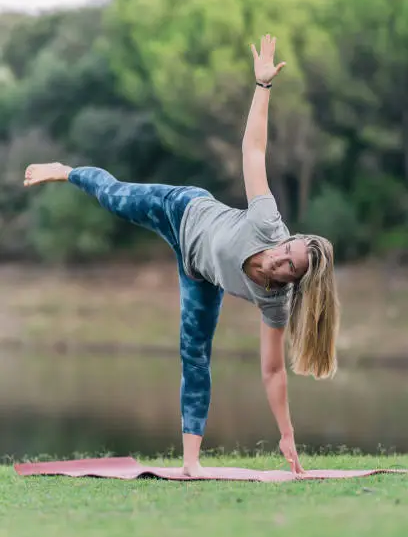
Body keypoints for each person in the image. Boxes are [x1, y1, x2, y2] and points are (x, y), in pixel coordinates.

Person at [23, 35, 340, 478]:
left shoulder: (276, 302)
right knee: (115, 197)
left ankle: (191, 461)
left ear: (295, 282)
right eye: (286, 250)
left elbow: (272, 371)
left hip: (199, 272)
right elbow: (253, 151)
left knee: (194, 353)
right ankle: (67, 171)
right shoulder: (267, 221)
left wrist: (286, 432)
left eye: (289, 268)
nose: (278, 260)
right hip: (183, 210)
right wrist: (262, 88)